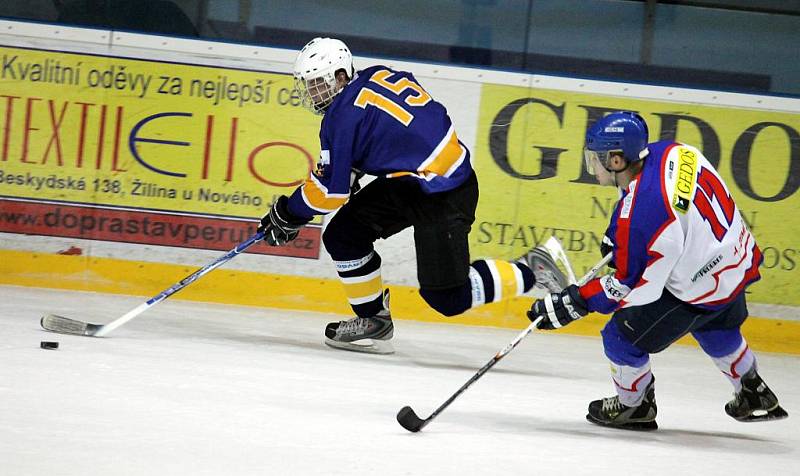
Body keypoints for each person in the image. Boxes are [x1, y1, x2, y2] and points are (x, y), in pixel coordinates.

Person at [258, 37, 566, 354]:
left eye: (317, 84)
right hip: (414, 180)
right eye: (307, 85)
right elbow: (396, 130)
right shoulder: (375, 74)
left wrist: (288, 213)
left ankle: (532, 268)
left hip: (445, 192)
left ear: (340, 76)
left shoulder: (341, 118)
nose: (312, 93)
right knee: (343, 235)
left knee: (447, 297)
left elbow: (330, 192)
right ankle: (373, 318)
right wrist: (351, 170)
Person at [527, 111, 788, 430]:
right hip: (734, 260)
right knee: (716, 326)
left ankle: (633, 406)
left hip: (699, 286)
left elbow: (627, 288)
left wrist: (576, 301)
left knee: (620, 337)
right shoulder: (672, 150)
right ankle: (753, 391)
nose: (592, 165)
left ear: (617, 160)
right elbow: (655, 212)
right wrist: (618, 237)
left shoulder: (643, 213)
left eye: (596, 159)